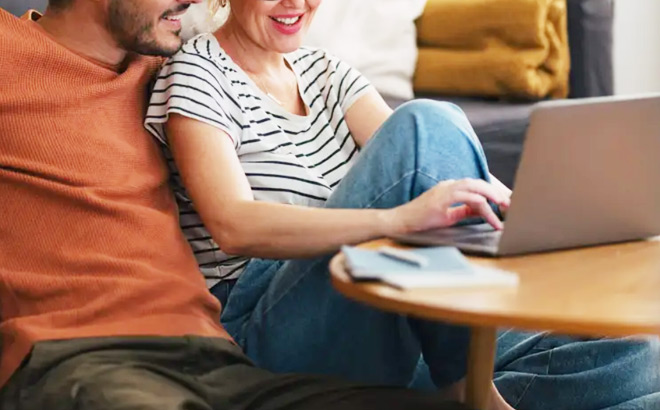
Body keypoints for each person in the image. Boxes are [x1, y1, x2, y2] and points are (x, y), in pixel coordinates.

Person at [143, 0, 660, 409]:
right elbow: (232, 224)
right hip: (268, 325)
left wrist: (537, 213)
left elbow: (436, 163)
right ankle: (471, 391)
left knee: (634, 358)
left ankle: (452, 388)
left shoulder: (325, 71)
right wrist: (397, 220)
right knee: (426, 119)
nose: (296, 3)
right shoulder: (195, 72)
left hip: (383, 302)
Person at [0, 1, 488, 409]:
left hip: (217, 355)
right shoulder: (12, 55)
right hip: (83, 353)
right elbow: (232, 221)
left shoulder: (162, 69)